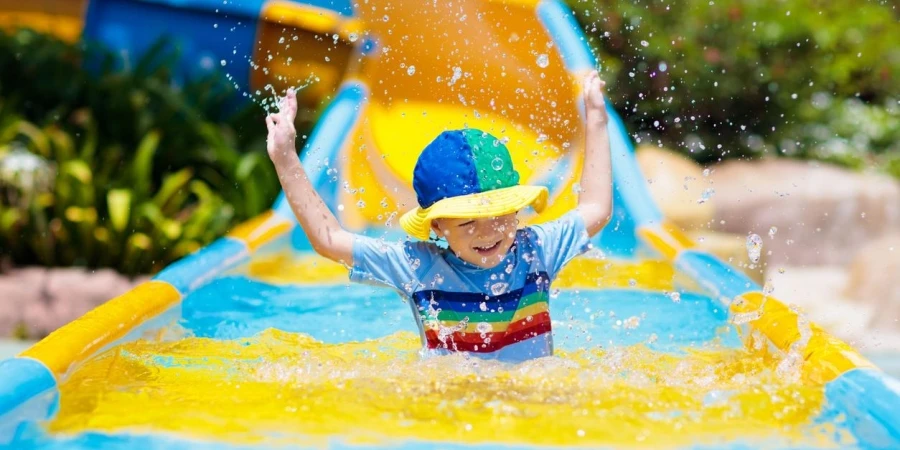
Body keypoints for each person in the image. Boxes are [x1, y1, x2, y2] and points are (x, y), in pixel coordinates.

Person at [266, 71, 612, 363]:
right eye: (467, 222)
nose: (487, 232)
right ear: (438, 226)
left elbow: (596, 209)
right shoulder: (419, 266)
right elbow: (330, 241)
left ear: (516, 210)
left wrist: (596, 120)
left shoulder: (537, 250)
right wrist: (285, 158)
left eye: (499, 216)